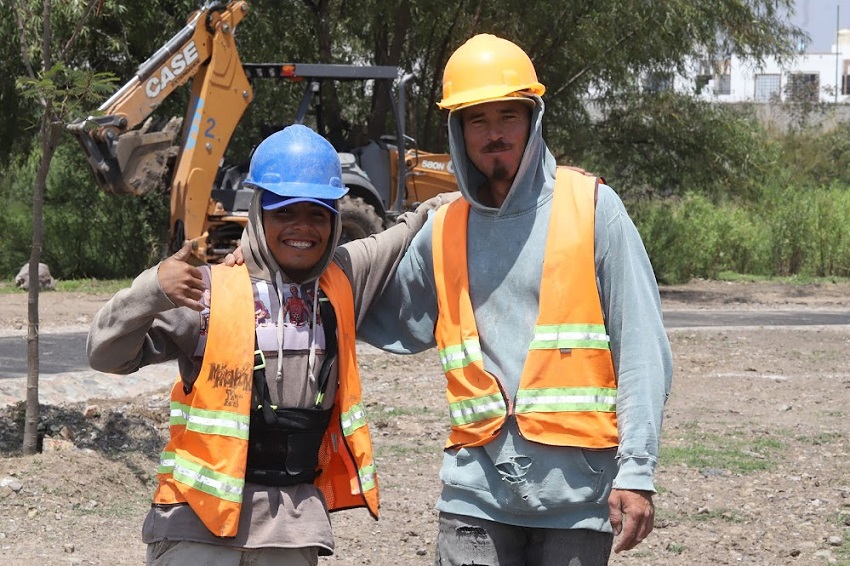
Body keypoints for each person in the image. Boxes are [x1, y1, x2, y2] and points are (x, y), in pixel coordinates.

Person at [358, 34, 674, 565]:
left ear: (534, 117)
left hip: (576, 499)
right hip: (473, 494)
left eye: (509, 115)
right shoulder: (445, 229)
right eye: (477, 119)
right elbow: (373, 310)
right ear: (457, 130)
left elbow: (642, 350)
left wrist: (637, 470)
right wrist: (277, 269)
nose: (495, 133)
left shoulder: (593, 208)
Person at [87, 124, 455, 566]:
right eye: (285, 213)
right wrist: (150, 291)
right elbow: (105, 354)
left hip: (291, 529)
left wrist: (465, 196)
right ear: (260, 214)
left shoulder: (344, 278)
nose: (303, 228)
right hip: (196, 526)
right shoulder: (207, 291)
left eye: (318, 213)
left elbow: (412, 225)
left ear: (336, 220)